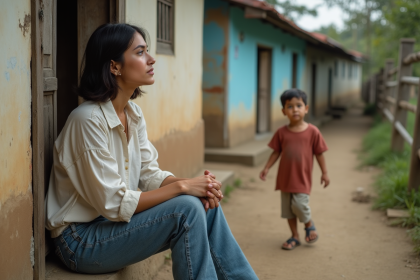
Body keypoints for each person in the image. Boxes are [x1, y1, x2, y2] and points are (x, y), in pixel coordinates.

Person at [45, 23, 258, 280]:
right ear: (115, 66)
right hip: (79, 241)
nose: (151, 58)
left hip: (109, 225)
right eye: (140, 52)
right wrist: (182, 187)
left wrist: (198, 185)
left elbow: (149, 174)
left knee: (204, 202)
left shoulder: (132, 114)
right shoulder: (87, 120)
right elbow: (114, 203)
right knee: (186, 209)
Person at [259, 89, 330, 250]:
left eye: (299, 105)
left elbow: (319, 153)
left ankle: (309, 224)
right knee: (288, 211)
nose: (295, 109)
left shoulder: (313, 132)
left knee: (299, 205)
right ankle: (295, 236)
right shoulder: (281, 132)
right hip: (285, 178)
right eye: (290, 106)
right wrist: (267, 168)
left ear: (306, 108)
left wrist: (324, 173)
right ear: (284, 111)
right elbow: (276, 151)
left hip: (302, 178)